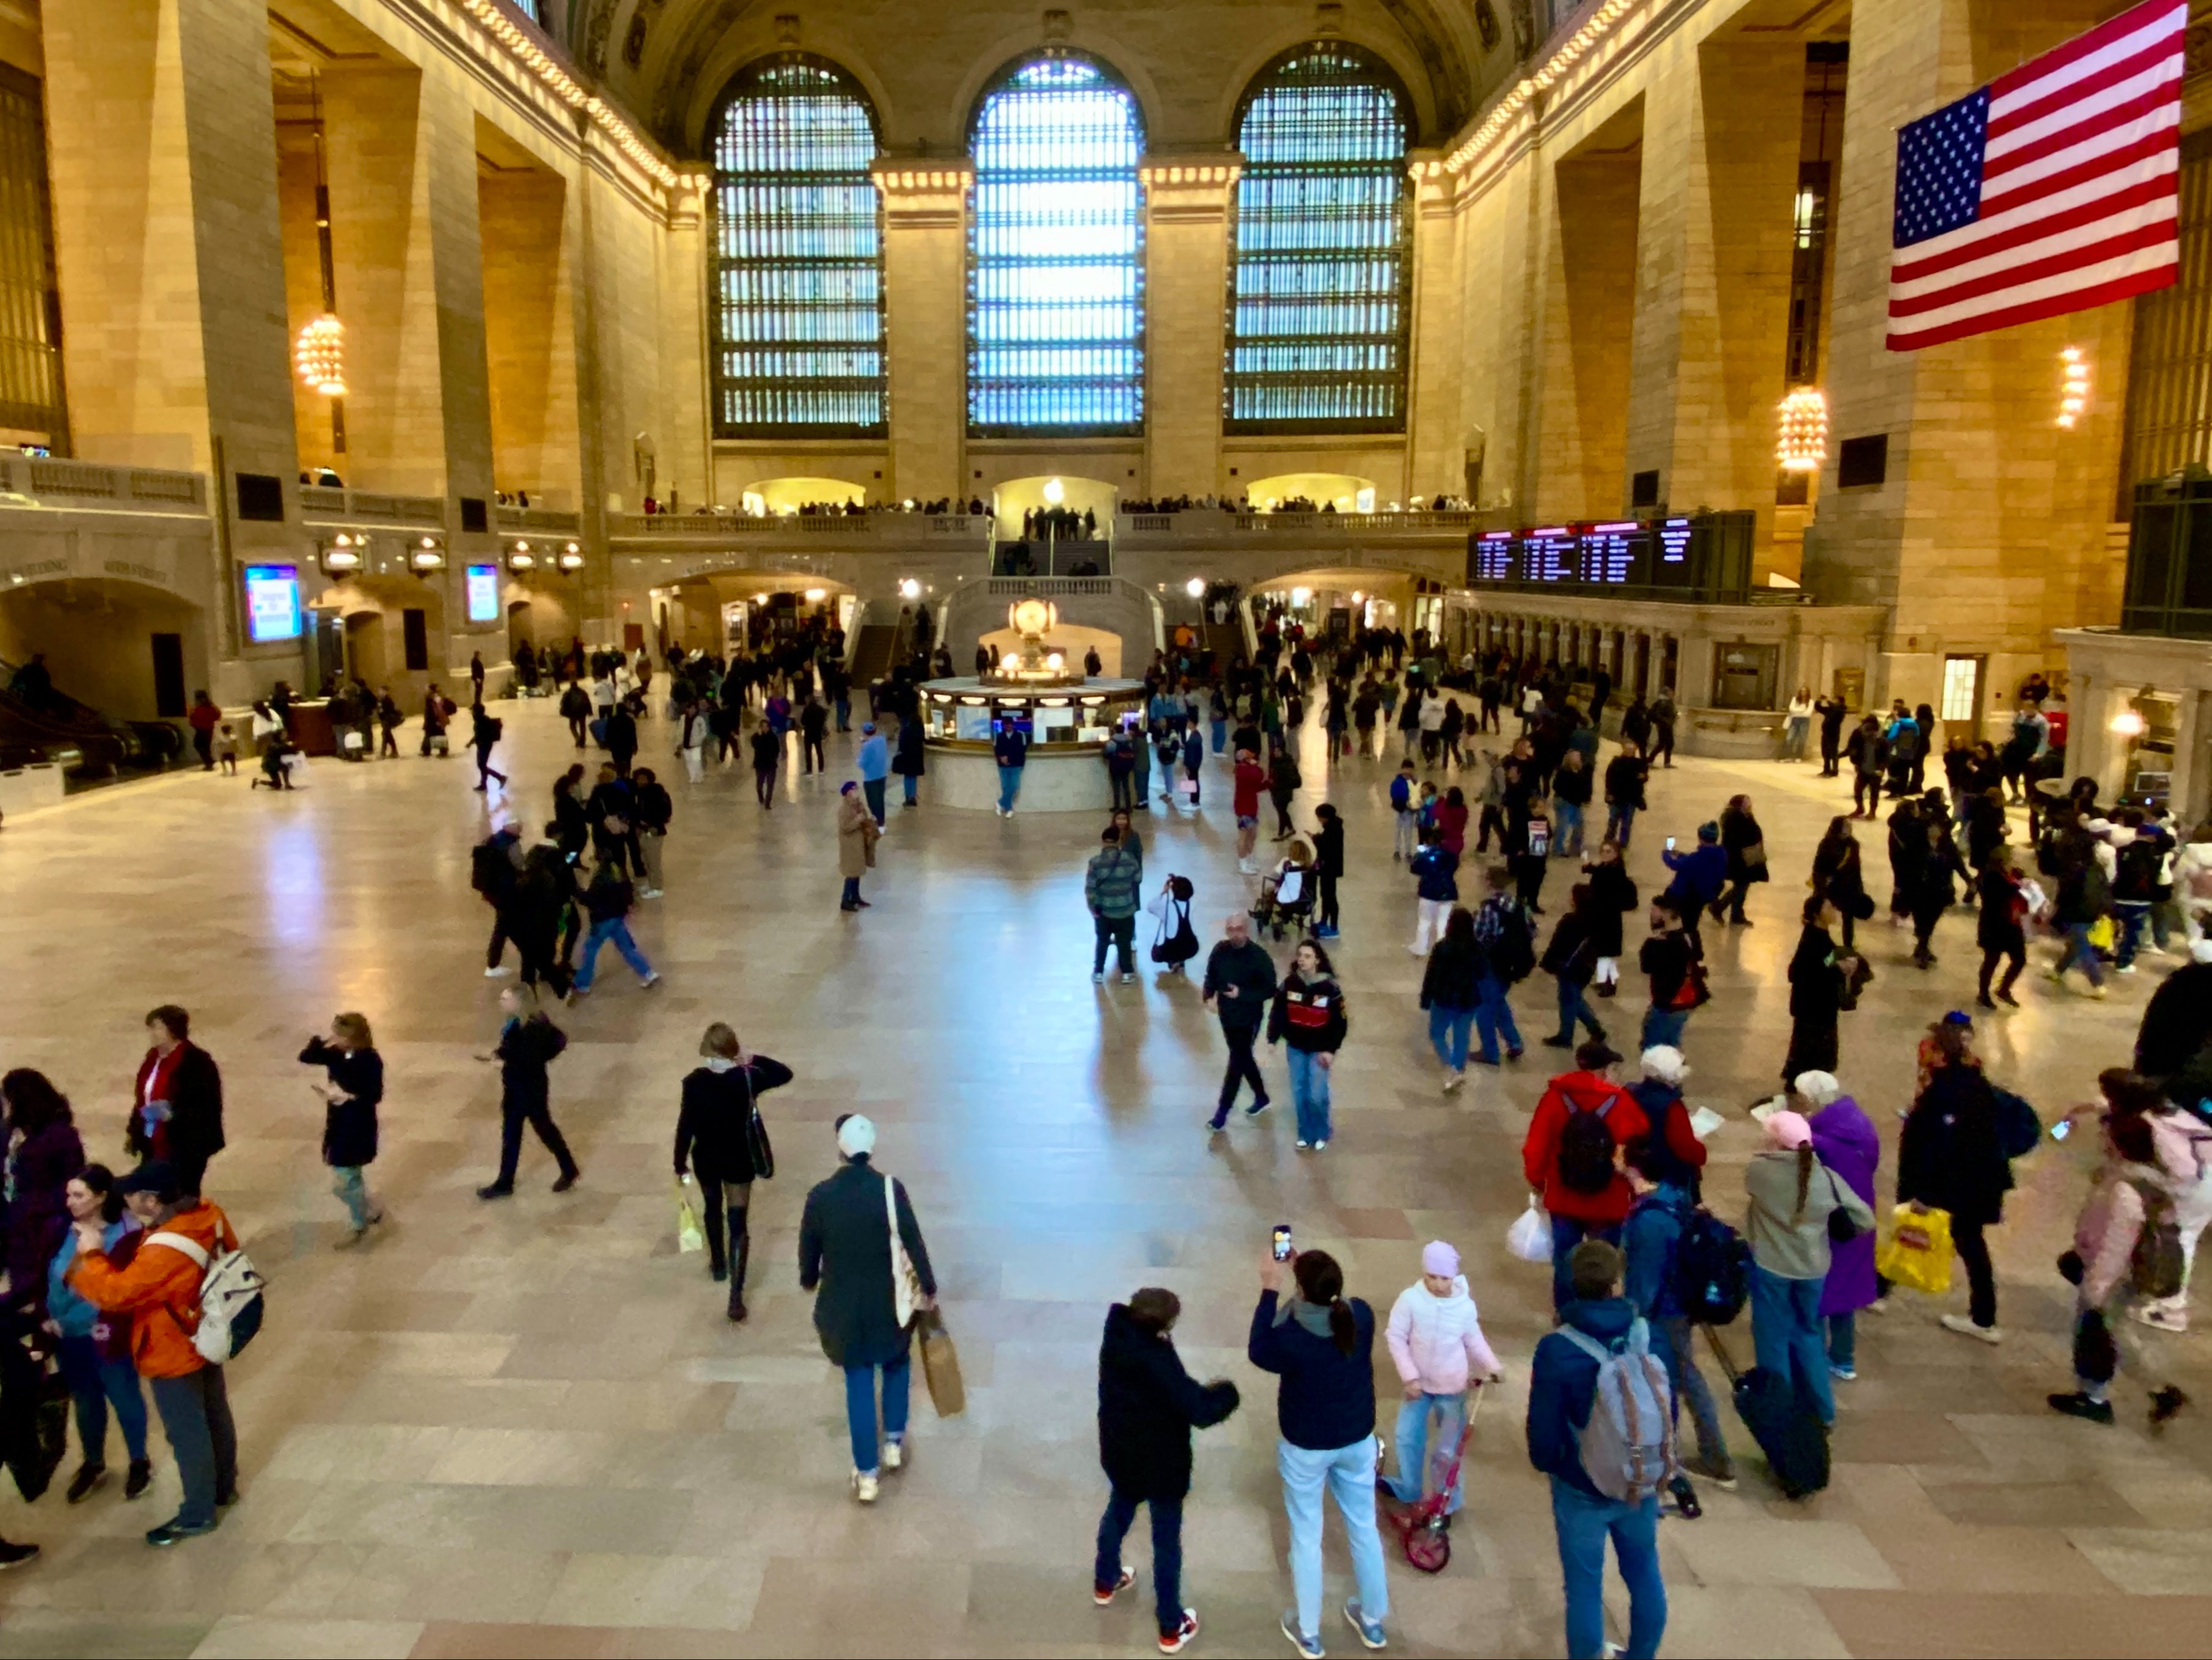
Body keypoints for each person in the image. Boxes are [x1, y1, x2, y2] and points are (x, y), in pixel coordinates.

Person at [66, 1160, 239, 1546]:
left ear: (152, 1201)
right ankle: (224, 1488)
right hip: (209, 1331)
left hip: (171, 1346)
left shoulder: (165, 1247)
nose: (125, 1200)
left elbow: (118, 1293)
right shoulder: (208, 1213)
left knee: (186, 1432)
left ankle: (197, 1513)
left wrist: (92, 1256)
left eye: (132, 1195)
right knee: (215, 1415)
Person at [1528, 1240, 1668, 1660]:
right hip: (1638, 1479)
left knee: (1585, 1588)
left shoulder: (1558, 1349)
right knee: (1644, 1573)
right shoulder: (1649, 1335)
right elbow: (1666, 1406)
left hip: (1582, 1487)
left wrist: (1560, 1468)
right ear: (1617, 1283)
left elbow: (1544, 1436)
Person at [1248, 1249, 1390, 1659]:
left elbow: (1259, 1349)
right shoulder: (1359, 1317)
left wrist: (1269, 1289)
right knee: (1364, 1526)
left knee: (1307, 1535)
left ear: (1301, 1291)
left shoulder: (1290, 1338)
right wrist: (1305, 1275)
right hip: (1356, 1439)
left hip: (1306, 1446)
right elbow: (1336, 1307)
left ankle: (1309, 1632)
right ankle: (1373, 1620)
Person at [799, 1115, 937, 1504]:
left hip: (842, 1310)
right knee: (896, 1363)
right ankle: (893, 1440)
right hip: (888, 1304)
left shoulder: (820, 1196)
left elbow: (809, 1257)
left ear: (839, 1149)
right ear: (871, 1148)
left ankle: (867, 1474)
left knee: (858, 1387)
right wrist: (928, 1287)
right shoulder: (891, 1191)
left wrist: (810, 1279)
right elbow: (913, 1242)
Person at [1093, 1288, 1239, 1655]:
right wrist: (1228, 1393)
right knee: (1165, 1543)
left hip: (1121, 1451)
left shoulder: (1117, 1338)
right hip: (1161, 1464)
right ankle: (1171, 1626)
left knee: (1119, 1511)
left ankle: (1105, 1580)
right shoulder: (1155, 1360)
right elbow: (1198, 1409)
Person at [2048, 1103, 2189, 1429]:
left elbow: (2117, 1243)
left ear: (2120, 1142)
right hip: (2109, 1269)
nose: (2101, 1139)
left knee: (2100, 1333)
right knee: (2112, 1331)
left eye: (2106, 1134)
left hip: (2111, 1274)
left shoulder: (2127, 1190)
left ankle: (2099, 1397)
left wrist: (2097, 1286)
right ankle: (2151, 1390)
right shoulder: (2137, 1178)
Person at [1745, 1109, 1873, 1430]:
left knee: (1772, 1338)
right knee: (1809, 1336)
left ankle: (1779, 1412)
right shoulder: (1827, 1179)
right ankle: (1823, 1411)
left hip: (1771, 1265)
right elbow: (1864, 1219)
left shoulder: (1759, 1171)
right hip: (1813, 1268)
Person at [1620, 1138, 1734, 1495]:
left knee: (1668, 1382)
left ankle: (1671, 1462)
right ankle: (1711, 1456)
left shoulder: (1650, 1220)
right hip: (1680, 1306)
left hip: (1663, 1315)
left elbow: (1645, 1280)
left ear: (1635, 1167)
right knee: (1685, 1377)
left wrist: (1631, 1318)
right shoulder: (1673, 1198)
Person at [1897, 1019, 2016, 1342]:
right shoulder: (1968, 1083)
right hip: (1975, 1183)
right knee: (1965, 1242)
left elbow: (1945, 1148)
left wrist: (1926, 1193)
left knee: (1966, 1242)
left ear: (1940, 1054)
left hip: (1963, 1185)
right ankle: (1983, 1316)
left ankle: (1984, 1318)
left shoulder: (1949, 1092)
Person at [47, 1165, 152, 1505]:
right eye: (68, 1194)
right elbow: (56, 1275)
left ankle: (139, 1461)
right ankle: (94, 1462)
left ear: (102, 1197)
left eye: (78, 1195)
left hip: (105, 1334)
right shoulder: (66, 1228)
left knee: (124, 1397)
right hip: (68, 1335)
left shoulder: (126, 1235)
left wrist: (68, 1314)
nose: (70, 1202)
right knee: (86, 1401)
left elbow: (110, 1293)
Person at [674, 1024, 792, 1321]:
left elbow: (685, 1125)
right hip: (739, 1158)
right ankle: (736, 1297)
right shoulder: (747, 1079)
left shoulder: (694, 1082)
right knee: (738, 1222)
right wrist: (751, 1059)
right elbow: (784, 1073)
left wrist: (679, 1162)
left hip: (706, 1159)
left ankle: (718, 1264)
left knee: (712, 1207)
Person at [1380, 1240, 1500, 1525]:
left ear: (1454, 1277)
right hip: (1418, 1387)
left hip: (1452, 1388)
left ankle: (1446, 1500)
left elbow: (1474, 1339)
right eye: (1431, 1277)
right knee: (1407, 1437)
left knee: (1448, 1450)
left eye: (1444, 1278)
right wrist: (1409, 1376)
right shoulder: (1410, 1300)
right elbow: (1395, 1336)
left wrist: (1492, 1365)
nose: (1437, 1284)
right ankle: (1408, 1488)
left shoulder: (1464, 1307)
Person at [1523, 1040, 1648, 1308]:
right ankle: (1599, 1314)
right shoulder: (1621, 1101)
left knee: (1565, 1262)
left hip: (1563, 1195)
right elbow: (1638, 1144)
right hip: (1608, 1199)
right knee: (1603, 1265)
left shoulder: (1556, 1097)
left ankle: (1567, 1315)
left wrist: (1538, 1183)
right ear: (1603, 1070)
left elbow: (1535, 1146)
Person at [1798, 1073, 1881, 1383]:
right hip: (1858, 1217)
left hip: (1828, 1222)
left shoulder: (1821, 1141)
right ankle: (1844, 1359)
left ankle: (1814, 1357)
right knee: (1844, 1292)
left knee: (1819, 1289)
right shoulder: (1860, 1125)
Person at [475, 985, 579, 1199]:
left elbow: (530, 1056)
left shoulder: (533, 1027)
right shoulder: (516, 1023)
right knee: (513, 1133)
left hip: (529, 1089)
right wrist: (498, 1054)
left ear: (518, 1002)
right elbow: (516, 1049)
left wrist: (503, 1063)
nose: (501, 1002)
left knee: (544, 1130)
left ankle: (568, 1168)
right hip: (516, 1087)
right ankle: (505, 1181)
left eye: (506, 998)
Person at [296, 1015, 384, 1246]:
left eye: (342, 1036)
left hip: (358, 1123)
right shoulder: (336, 1053)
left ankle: (359, 1221)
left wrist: (349, 1097)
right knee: (351, 1172)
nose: (337, 1040)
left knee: (344, 1180)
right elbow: (307, 1057)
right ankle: (369, 1207)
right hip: (338, 1120)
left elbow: (375, 1095)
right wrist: (322, 1041)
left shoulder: (370, 1059)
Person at [126, 1007, 224, 1200]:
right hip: (153, 1139)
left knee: (181, 1195)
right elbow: (144, 1095)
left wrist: (173, 1114)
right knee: (156, 1195)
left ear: (172, 1030)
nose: (152, 1034)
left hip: (185, 1143)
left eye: (157, 1028)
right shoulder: (153, 1058)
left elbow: (207, 1106)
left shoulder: (197, 1062)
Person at [1269, 939, 1348, 1151]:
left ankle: (1322, 1131)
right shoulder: (1289, 984)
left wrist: (1330, 1050)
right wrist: (1272, 1038)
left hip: (1319, 1050)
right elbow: (1278, 1012)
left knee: (1316, 1094)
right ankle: (1305, 1133)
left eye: (1308, 956)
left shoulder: (1330, 989)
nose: (1302, 960)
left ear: (1317, 960)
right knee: (1299, 1091)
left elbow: (1340, 1023)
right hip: (1295, 1048)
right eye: (1300, 956)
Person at [1203, 914, 1278, 1131]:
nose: (1235, 933)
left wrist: (1242, 994)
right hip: (1227, 1017)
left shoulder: (1259, 957)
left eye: (1239, 929)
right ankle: (1262, 1097)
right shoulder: (1220, 951)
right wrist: (1208, 996)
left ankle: (1222, 1113)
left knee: (1236, 1062)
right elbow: (1211, 976)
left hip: (1249, 1019)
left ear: (1247, 931)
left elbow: (1269, 989)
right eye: (1231, 929)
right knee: (1243, 1058)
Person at [1782, 895, 1852, 1084]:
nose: (1833, 911)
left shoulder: (1818, 936)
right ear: (1817, 914)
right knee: (1812, 1051)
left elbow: (1824, 961)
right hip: (1815, 1006)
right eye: (1828, 908)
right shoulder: (1814, 940)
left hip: (1815, 1006)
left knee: (1805, 1048)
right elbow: (1809, 969)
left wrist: (1839, 963)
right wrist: (1840, 968)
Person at [568, 859, 660, 999]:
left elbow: (591, 901)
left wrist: (577, 892)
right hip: (618, 919)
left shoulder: (600, 880)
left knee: (590, 950)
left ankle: (583, 984)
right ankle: (648, 973)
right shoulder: (618, 873)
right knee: (628, 948)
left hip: (603, 922)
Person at [1421, 905, 1482, 1092]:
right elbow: (1482, 973)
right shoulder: (1477, 948)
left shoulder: (1443, 947)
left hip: (1444, 999)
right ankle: (1459, 1068)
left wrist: (1426, 998)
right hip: (1468, 1000)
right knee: (1461, 1036)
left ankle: (1450, 1066)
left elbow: (1431, 975)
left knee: (1437, 1033)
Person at [1540, 883, 1606, 1049]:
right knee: (1575, 998)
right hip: (1585, 967)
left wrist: (1548, 962)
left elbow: (1557, 944)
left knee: (1569, 1000)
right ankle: (1594, 1028)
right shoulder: (1596, 921)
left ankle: (1567, 1035)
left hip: (1568, 967)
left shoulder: (1570, 921)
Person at [1638, 897, 1701, 1051]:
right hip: (1685, 1001)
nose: (1651, 913)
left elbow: (1647, 967)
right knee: (1671, 1045)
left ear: (1665, 914)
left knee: (1652, 1048)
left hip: (1668, 1003)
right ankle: (1673, 1071)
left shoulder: (1661, 944)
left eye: (1654, 910)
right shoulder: (1689, 937)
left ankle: (1657, 1075)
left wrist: (1650, 945)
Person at [1086, 827, 1144, 985]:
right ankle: (1127, 973)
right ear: (1119, 840)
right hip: (1126, 909)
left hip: (1104, 911)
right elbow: (1138, 878)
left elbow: (1090, 889)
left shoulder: (1095, 862)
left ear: (1103, 841)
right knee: (1124, 942)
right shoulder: (1129, 859)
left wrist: (1094, 909)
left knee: (1103, 941)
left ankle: (1098, 972)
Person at [1584, 840, 1638, 999]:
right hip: (1604, 917)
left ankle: (1609, 985)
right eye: (1603, 851)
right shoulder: (1607, 868)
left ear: (1616, 854)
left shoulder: (1614, 872)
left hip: (1608, 918)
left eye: (1609, 852)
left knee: (1605, 954)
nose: (1605, 854)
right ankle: (1607, 982)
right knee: (1606, 954)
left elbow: (1602, 883)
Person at [1713, 795, 1767, 926]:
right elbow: (1743, 836)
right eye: (1747, 803)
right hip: (1738, 859)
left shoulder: (1741, 816)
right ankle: (1722, 908)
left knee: (1742, 885)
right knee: (1741, 886)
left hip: (1741, 858)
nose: (1750, 806)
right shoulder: (1735, 818)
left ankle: (1734, 913)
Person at [1407, 831, 1460, 956]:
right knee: (1443, 922)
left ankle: (1420, 948)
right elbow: (1455, 866)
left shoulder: (1426, 855)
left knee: (1425, 921)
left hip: (1429, 892)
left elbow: (1415, 868)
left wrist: (1419, 855)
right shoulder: (1451, 854)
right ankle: (1442, 950)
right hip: (1448, 891)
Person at [837, 781, 881, 913]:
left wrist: (870, 821)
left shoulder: (859, 805)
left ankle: (855, 897)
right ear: (848, 793)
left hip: (859, 844)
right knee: (851, 873)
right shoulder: (844, 809)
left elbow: (864, 818)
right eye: (853, 789)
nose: (856, 792)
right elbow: (845, 827)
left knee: (857, 872)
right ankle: (845, 900)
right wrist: (858, 820)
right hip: (850, 846)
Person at [631, 767, 670, 898]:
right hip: (642, 831)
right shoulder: (638, 793)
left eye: (644, 778)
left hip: (654, 831)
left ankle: (657, 887)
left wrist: (651, 822)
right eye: (639, 779)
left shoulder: (657, 793)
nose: (641, 781)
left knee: (654, 861)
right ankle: (650, 883)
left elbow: (665, 812)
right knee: (645, 859)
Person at [1603, 740, 1647, 848]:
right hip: (1616, 796)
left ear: (1635, 749)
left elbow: (1643, 778)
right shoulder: (1616, 762)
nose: (1630, 750)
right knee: (1613, 821)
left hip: (1631, 798)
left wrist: (1644, 778)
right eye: (1628, 748)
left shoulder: (1639, 763)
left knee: (1626, 824)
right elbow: (1609, 778)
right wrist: (1609, 792)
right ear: (1623, 748)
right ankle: (1609, 840)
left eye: (1632, 749)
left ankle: (1623, 844)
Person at [1232, 748, 1266, 873]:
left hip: (1251, 807)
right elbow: (1258, 775)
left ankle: (1250, 858)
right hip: (1244, 808)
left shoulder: (1246, 770)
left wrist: (1268, 784)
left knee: (1253, 834)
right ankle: (1243, 864)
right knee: (1244, 836)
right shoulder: (1242, 770)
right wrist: (1256, 766)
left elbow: (1256, 786)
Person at [1311, 804, 1342, 939]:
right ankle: (1324, 921)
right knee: (1325, 895)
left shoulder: (1334, 830)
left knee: (1330, 896)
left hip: (1330, 868)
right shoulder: (1332, 827)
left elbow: (1327, 848)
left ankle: (1334, 927)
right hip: (1328, 868)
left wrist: (1316, 839)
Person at [857, 722, 890, 826]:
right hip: (882, 775)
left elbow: (862, 763)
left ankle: (878, 824)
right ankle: (882, 822)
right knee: (880, 800)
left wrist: (861, 752)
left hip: (871, 778)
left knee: (873, 803)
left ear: (865, 732)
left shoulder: (867, 747)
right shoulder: (882, 740)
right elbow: (875, 743)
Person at [469, 701, 507, 791]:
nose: (471, 713)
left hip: (484, 745)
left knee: (482, 765)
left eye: (473, 711)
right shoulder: (482, 719)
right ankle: (484, 785)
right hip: (484, 744)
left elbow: (480, 734)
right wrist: (471, 742)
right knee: (482, 765)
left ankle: (500, 777)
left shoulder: (481, 721)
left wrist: (472, 742)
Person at [994, 720, 1027, 817]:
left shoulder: (1020, 735)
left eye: (1010, 725)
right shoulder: (999, 736)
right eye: (1006, 725)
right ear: (1004, 726)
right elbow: (996, 749)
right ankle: (1009, 809)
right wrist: (1001, 757)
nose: (1008, 726)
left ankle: (1000, 802)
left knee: (1014, 786)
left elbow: (1022, 750)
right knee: (1005, 787)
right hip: (1003, 766)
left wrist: (1009, 758)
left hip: (1016, 765)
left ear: (1013, 725)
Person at [893, 711, 925, 807]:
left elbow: (902, 743)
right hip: (917, 758)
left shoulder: (906, 730)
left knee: (907, 777)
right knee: (914, 778)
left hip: (907, 757)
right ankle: (913, 796)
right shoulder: (920, 730)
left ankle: (908, 797)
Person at [1390, 760, 1419, 861]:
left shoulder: (1414, 782)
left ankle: (1408, 851)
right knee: (1398, 831)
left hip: (1409, 811)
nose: (1408, 771)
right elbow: (1394, 794)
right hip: (1400, 809)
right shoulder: (1398, 782)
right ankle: (1397, 850)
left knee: (1408, 832)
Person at [749, 719, 781, 809]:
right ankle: (761, 798)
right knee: (760, 784)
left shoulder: (773, 737)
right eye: (763, 727)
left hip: (771, 764)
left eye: (767, 727)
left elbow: (776, 749)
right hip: (760, 764)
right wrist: (760, 737)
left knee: (770, 784)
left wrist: (774, 758)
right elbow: (756, 746)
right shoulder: (756, 737)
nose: (765, 729)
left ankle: (768, 802)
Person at [185, 691, 220, 771]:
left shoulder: (199, 709)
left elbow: (193, 721)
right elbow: (217, 716)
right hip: (209, 730)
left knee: (199, 745)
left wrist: (190, 713)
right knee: (206, 747)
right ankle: (209, 762)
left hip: (202, 730)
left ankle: (209, 762)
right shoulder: (211, 708)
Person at [1782, 688, 1813, 761]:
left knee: (1802, 739)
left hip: (1805, 721)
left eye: (1805, 691)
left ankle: (1798, 756)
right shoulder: (1795, 699)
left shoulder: (1811, 702)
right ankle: (1787, 756)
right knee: (1789, 738)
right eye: (1802, 691)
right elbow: (1791, 709)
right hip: (1794, 720)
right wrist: (1802, 710)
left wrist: (1797, 711)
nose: (1803, 692)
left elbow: (1808, 713)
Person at [560, 679, 591, 748]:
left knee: (572, 726)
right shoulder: (583, 692)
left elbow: (563, 703)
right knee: (582, 726)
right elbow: (588, 702)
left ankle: (577, 738)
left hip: (573, 713)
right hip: (582, 712)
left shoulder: (568, 693)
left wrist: (564, 712)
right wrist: (590, 711)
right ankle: (582, 741)